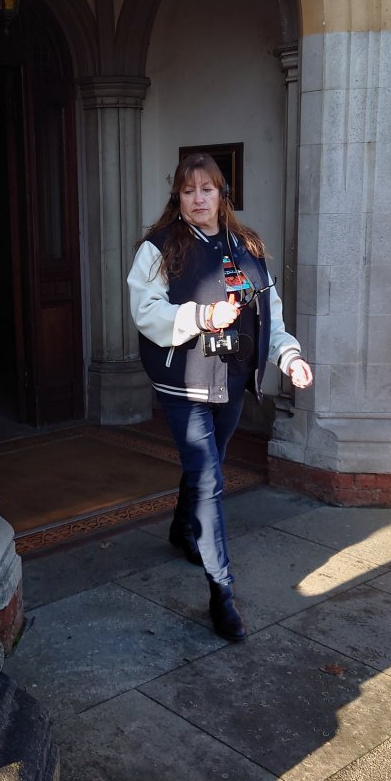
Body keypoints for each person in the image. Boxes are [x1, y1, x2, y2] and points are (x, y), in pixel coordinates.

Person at [127, 153, 313, 642]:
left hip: (231, 381)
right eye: (188, 191)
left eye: (207, 189)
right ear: (178, 197)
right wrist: (200, 317)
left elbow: (268, 312)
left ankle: (180, 530)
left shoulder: (245, 245)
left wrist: (287, 356)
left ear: (221, 193)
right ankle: (221, 594)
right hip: (184, 382)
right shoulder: (160, 248)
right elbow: (145, 311)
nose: (198, 199)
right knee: (210, 480)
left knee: (207, 465)